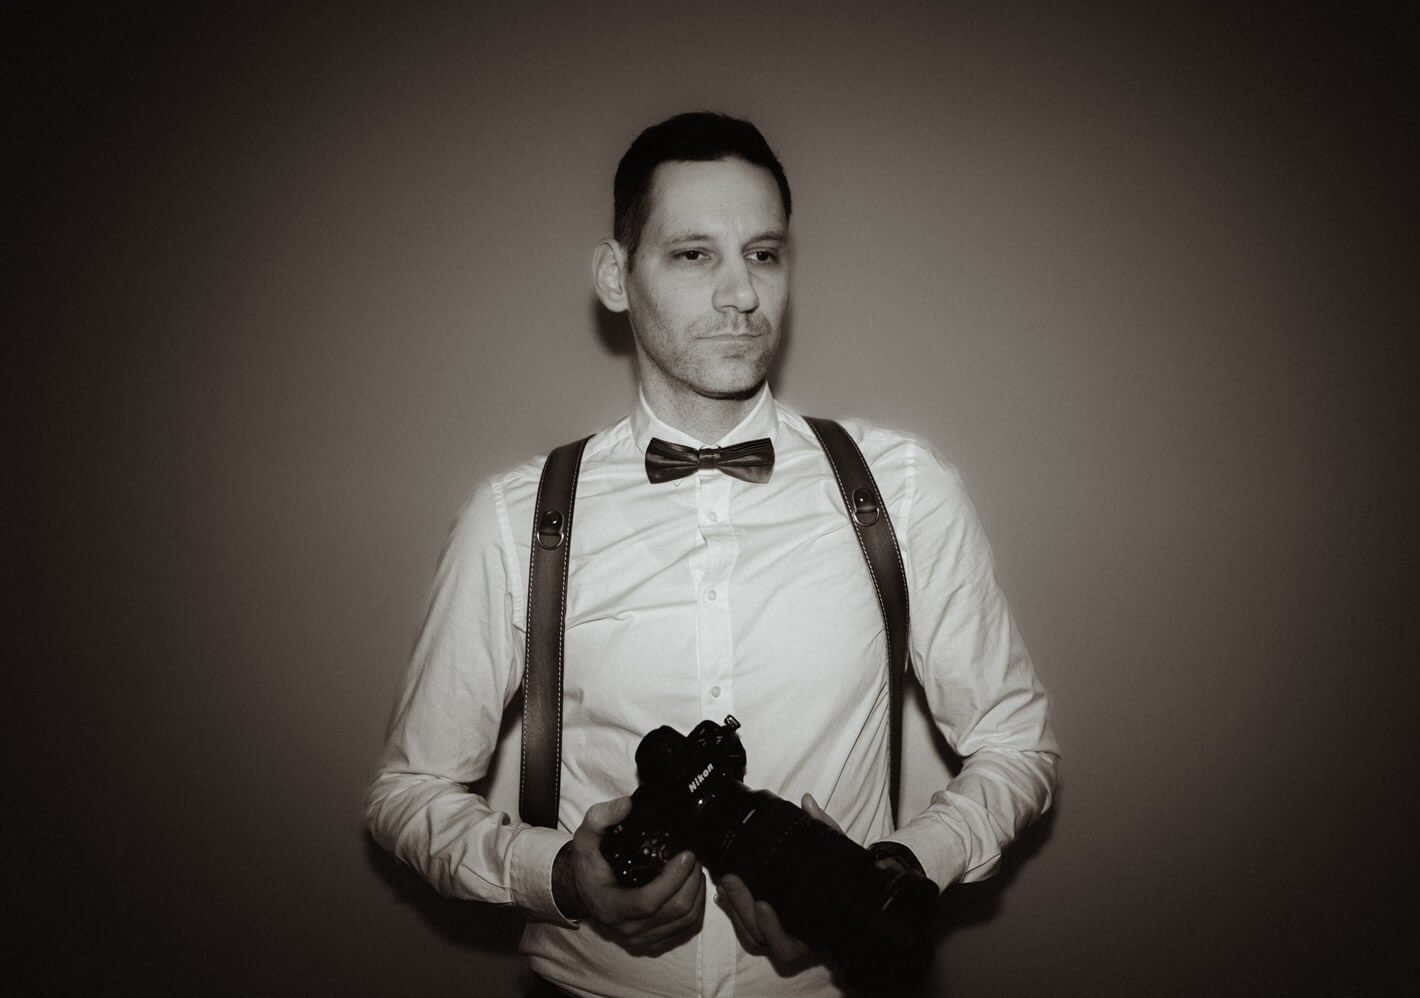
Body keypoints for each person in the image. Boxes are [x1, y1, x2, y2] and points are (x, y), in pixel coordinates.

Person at [365, 111, 1058, 997]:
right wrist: (558, 876)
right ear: (617, 277)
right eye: (694, 255)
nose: (742, 294)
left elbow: (1016, 744)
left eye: (763, 254)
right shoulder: (518, 519)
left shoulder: (902, 492)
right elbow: (408, 791)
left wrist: (892, 872)